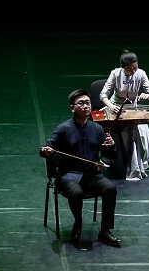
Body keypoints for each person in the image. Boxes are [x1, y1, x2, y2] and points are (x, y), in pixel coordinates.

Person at [40, 89, 122, 247]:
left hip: (91, 175)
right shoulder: (63, 129)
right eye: (81, 103)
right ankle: (78, 223)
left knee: (110, 188)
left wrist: (110, 147)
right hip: (68, 175)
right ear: (73, 108)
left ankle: (105, 231)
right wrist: (46, 151)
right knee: (76, 192)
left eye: (88, 103)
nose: (86, 106)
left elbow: (107, 153)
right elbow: (47, 148)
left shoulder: (97, 129)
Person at [99, 51, 149, 181]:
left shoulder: (141, 74)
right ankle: (107, 156)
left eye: (135, 68)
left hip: (132, 109)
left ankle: (134, 160)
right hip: (115, 106)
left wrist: (147, 96)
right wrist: (110, 106)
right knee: (105, 125)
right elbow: (103, 94)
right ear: (123, 67)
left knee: (135, 129)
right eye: (129, 69)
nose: (133, 71)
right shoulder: (115, 73)